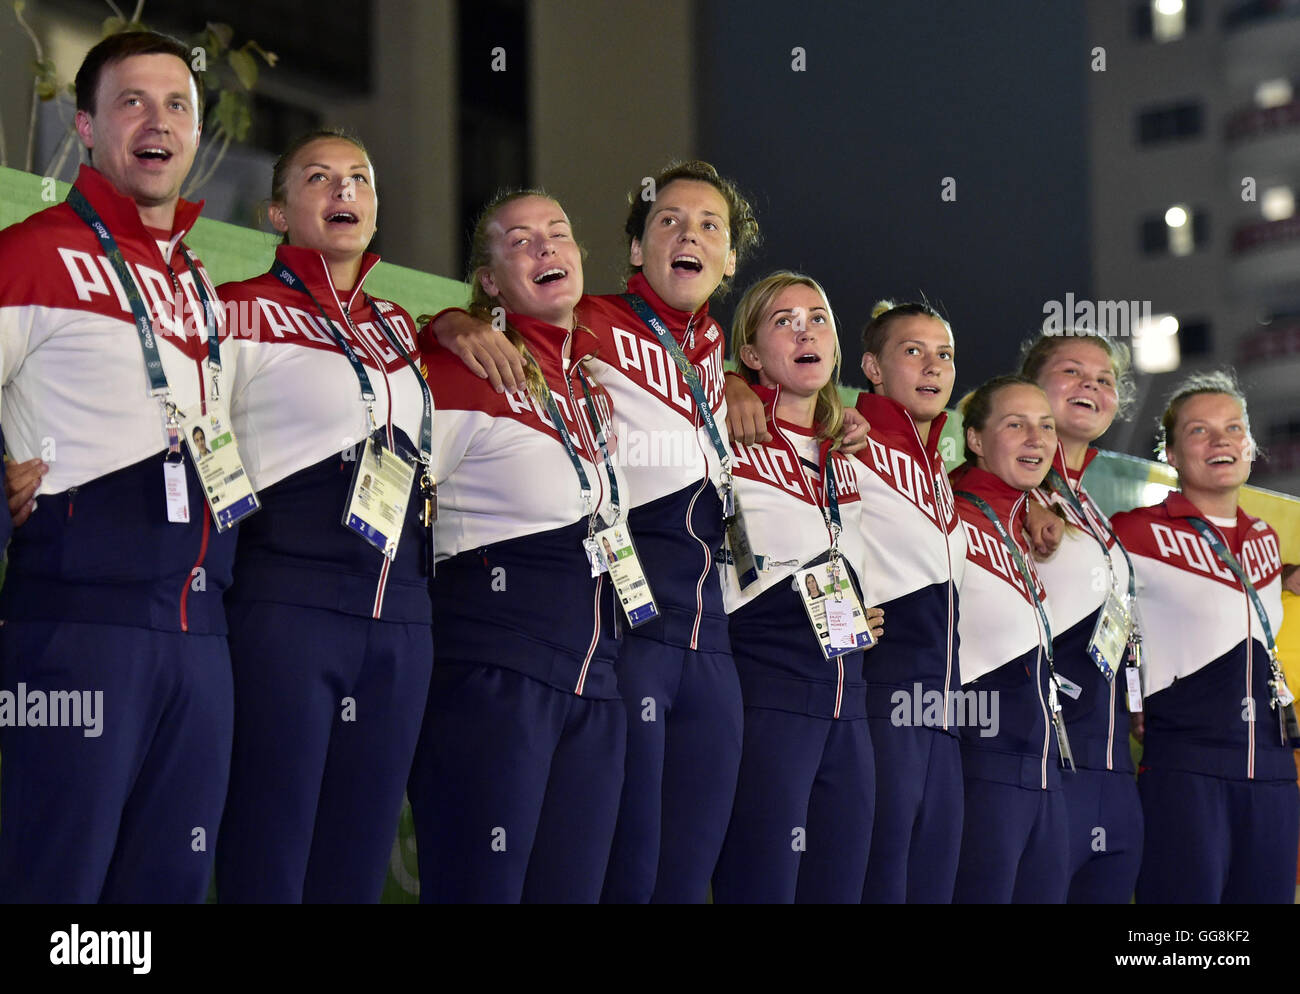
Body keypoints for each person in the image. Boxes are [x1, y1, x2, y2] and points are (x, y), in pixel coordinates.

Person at [428, 160, 760, 903]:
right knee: (618, 875)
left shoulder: (721, 360)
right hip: (624, 642)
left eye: (710, 225)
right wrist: (450, 322)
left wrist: (740, 377)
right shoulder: (596, 323)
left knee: (680, 879)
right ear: (636, 251)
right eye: (668, 220)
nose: (689, 234)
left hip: (709, 651)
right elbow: (492, 320)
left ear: (730, 259)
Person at [0, 31, 238, 902]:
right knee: (56, 889)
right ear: (88, 126)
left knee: (163, 894)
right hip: (78, 631)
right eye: (132, 101)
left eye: (178, 104)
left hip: (203, 643)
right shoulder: (31, 250)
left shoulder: (200, 284)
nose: (158, 120)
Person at [213, 130, 434, 902]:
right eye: (319, 178)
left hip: (401, 623)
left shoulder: (405, 329)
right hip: (288, 609)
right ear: (278, 211)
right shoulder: (236, 311)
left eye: (360, 179)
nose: (345, 192)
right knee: (270, 851)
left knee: (355, 865)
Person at [406, 190, 627, 902]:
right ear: (490, 282)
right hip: (494, 681)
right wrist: (442, 325)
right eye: (520, 240)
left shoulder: (591, 393)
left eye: (558, 233)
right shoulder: (464, 368)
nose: (546, 249)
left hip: (596, 686)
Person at [710, 272, 883, 903]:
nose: (806, 330)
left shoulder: (847, 450)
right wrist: (727, 383)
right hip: (767, 690)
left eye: (818, 318)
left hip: (850, 699)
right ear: (751, 353)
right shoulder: (726, 431)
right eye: (783, 321)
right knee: (763, 883)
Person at [1111, 372, 1300, 903]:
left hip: (1274, 770)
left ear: (1250, 445)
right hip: (1185, 769)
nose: (1221, 441)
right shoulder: (1133, 530)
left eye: (1233, 428)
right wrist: (1128, 699)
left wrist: (1286, 572)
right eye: (1199, 431)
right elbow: (1097, 623)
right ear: (1170, 452)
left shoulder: (1263, 537)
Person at [1019, 331, 1144, 902]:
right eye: (1072, 372)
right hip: (1042, 757)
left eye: (1105, 379)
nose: (1091, 385)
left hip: (1112, 762)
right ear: (1031, 388)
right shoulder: (1002, 493)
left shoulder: (1089, 505)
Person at [852, 301, 968, 902]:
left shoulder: (939, 473)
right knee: (880, 881)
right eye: (913, 351)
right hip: (883, 700)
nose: (933, 366)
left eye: (944, 354)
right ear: (871, 366)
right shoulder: (847, 438)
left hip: (946, 716)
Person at [950, 375, 1069, 903]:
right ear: (975, 439)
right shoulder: (948, 507)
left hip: (1046, 767)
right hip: (979, 763)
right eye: (1015, 424)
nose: (1036, 438)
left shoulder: (1029, 521)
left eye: (1045, 426)